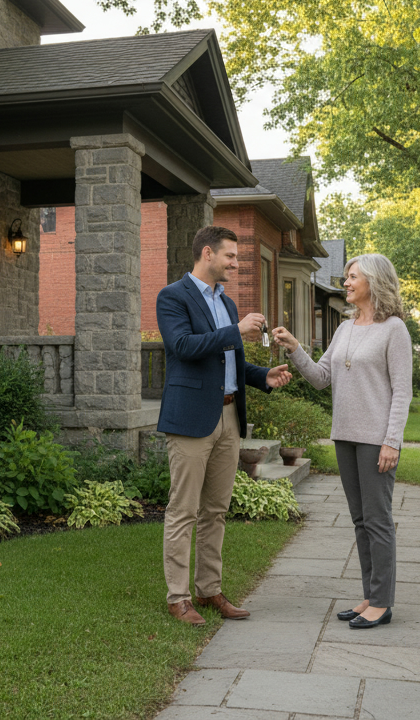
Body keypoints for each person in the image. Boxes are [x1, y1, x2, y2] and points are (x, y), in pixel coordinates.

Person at [156, 226, 293, 626]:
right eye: (231, 256)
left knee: (215, 510)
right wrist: (235, 332)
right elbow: (182, 347)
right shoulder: (173, 297)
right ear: (206, 254)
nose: (237, 263)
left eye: (237, 257)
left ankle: (209, 589)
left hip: (229, 416)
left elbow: (226, 362)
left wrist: (261, 376)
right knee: (183, 510)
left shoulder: (228, 304)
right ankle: (178, 598)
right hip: (190, 418)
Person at [271, 253, 412, 629]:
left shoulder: (394, 329)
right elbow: (321, 377)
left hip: (375, 439)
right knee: (360, 520)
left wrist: (392, 441)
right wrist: (294, 347)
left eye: (353, 277)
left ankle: (382, 602)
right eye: (346, 277)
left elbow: (402, 392)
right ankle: (370, 595)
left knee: (378, 521)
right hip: (344, 437)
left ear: (374, 281)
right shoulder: (344, 329)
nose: (346, 283)